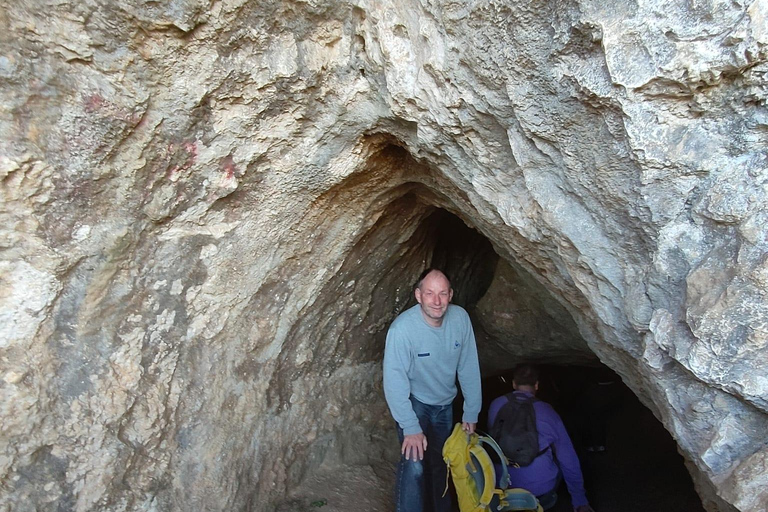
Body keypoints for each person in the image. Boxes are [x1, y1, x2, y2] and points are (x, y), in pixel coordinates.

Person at [383, 268, 482, 512]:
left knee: (442, 465)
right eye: (429, 293)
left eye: (442, 294)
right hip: (416, 404)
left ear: (450, 295)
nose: (436, 301)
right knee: (414, 464)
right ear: (418, 296)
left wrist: (471, 411)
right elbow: (394, 381)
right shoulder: (402, 330)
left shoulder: (460, 319)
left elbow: (468, 365)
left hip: (445, 405)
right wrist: (410, 426)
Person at [488, 364, 595, 512]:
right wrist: (579, 500)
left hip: (502, 484)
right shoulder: (547, 411)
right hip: (540, 490)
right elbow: (568, 459)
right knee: (562, 454)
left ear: (513, 383)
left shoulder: (496, 405)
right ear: (537, 385)